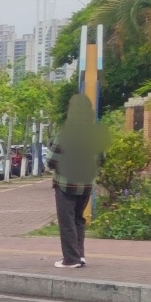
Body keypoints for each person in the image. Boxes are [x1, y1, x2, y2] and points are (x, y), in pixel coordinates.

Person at [46, 94, 110, 268]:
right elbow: (101, 159)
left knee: (66, 220)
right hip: (86, 184)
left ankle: (71, 259)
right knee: (79, 219)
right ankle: (80, 255)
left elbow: (51, 161)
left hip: (65, 184)